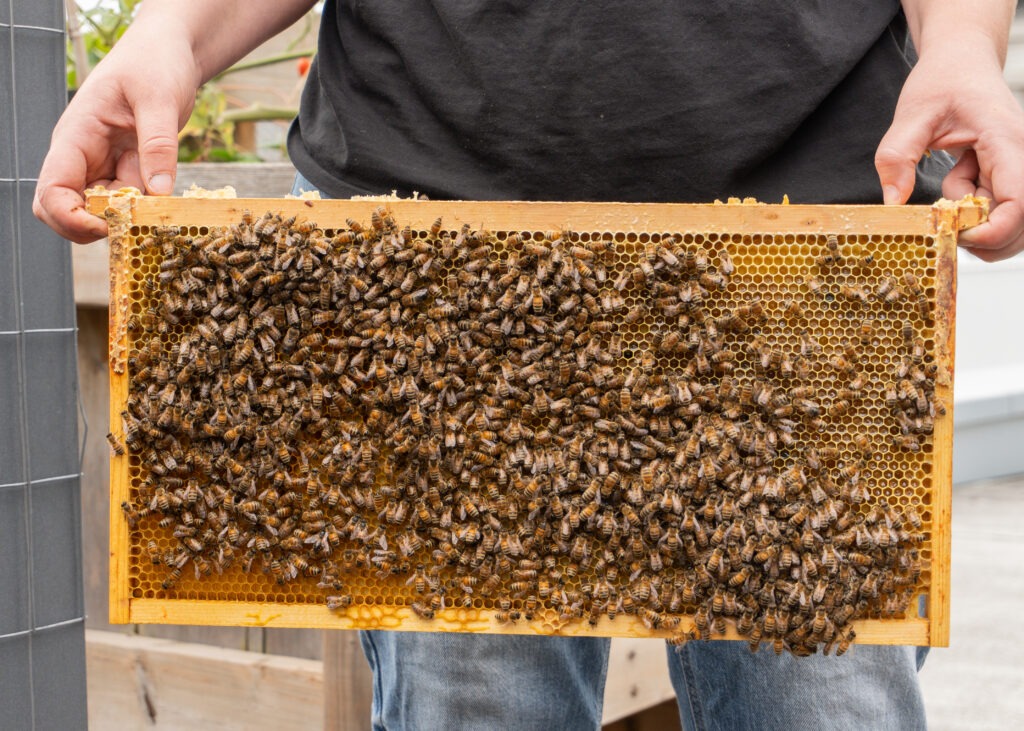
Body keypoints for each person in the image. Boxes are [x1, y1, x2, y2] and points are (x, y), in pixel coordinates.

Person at [35, 2, 1024, 729]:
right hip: (431, 242)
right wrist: (176, 29)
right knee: (478, 709)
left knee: (822, 706)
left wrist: (963, 43)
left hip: (812, 240)